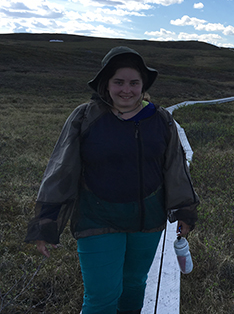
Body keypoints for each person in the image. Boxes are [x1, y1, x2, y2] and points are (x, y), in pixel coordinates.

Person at [25, 46, 199, 314]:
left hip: (147, 222)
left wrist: (184, 209)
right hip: (97, 219)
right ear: (106, 85)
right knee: (101, 298)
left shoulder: (160, 119)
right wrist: (47, 221)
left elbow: (175, 167)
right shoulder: (85, 117)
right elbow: (61, 171)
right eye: (118, 82)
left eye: (134, 83)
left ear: (143, 86)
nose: (126, 90)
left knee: (134, 286)